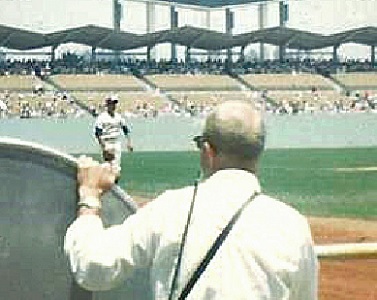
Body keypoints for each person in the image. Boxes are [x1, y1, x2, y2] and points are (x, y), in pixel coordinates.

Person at [65, 100, 318, 299]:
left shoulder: (171, 209)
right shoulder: (292, 226)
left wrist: (89, 197)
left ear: (207, 152)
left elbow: (94, 267)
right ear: (257, 154)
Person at [94, 95, 133, 178]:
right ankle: (105, 185)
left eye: (115, 103)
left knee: (116, 168)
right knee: (107, 167)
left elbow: (125, 129)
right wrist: (103, 147)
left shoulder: (118, 117)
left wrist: (129, 143)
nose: (114, 105)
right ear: (107, 104)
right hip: (106, 142)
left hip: (116, 142)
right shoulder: (101, 118)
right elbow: (98, 133)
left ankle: (113, 185)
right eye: (112, 103)